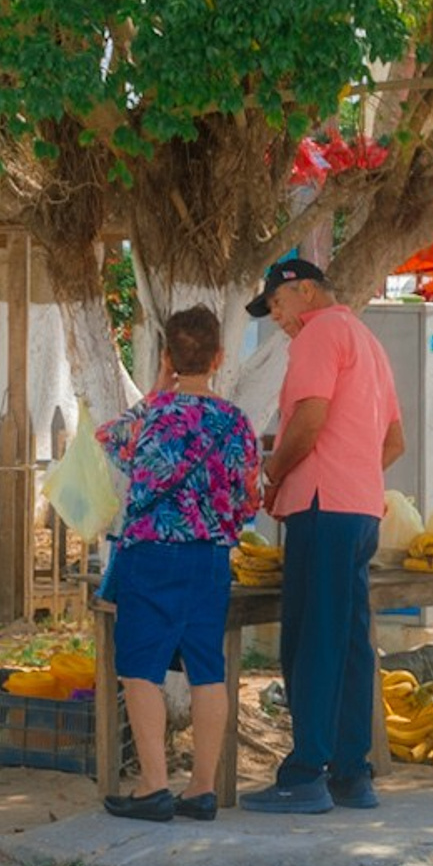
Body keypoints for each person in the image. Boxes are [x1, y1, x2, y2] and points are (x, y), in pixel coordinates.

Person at [241, 254, 404, 817]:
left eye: (278, 305)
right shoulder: (367, 341)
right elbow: (394, 441)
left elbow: (309, 420)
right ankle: (350, 772)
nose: (277, 318)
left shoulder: (316, 335)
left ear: (305, 292)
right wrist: (353, 471)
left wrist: (274, 473)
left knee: (312, 637)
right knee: (351, 640)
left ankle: (306, 770)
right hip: (359, 507)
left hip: (321, 505)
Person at [96, 305, 262, 823]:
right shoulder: (235, 422)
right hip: (210, 557)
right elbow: (249, 500)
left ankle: (153, 784)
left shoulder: (151, 417)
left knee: (140, 668)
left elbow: (108, 439)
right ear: (219, 357)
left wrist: (157, 389)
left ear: (167, 356)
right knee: (207, 668)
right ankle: (202, 788)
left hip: (151, 556)